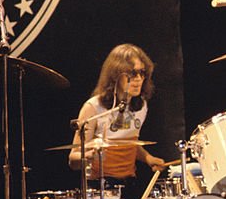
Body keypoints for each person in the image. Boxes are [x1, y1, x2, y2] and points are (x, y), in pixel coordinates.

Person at [68, 44, 167, 189]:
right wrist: (89, 155)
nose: (139, 79)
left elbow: (130, 143)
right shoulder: (93, 108)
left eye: (142, 73)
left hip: (130, 183)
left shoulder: (141, 106)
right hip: (100, 188)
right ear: (115, 75)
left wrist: (148, 158)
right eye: (132, 74)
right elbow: (73, 158)